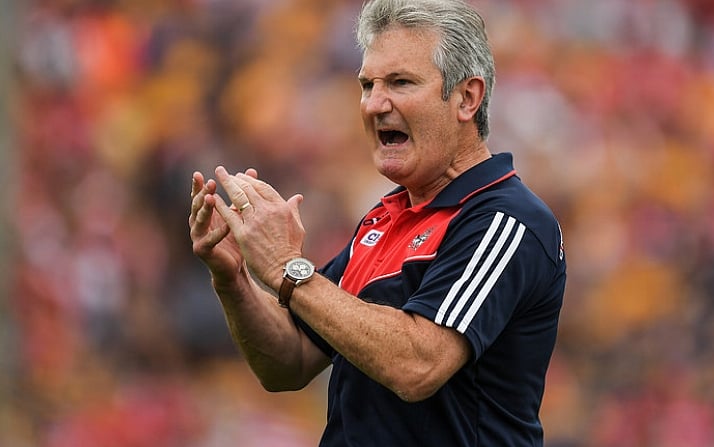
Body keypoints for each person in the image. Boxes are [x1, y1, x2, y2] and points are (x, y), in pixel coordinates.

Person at [189, 0, 566, 445]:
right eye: (367, 85)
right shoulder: (383, 218)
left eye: (401, 82)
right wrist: (234, 279)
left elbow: (416, 366)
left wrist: (286, 266)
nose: (374, 104)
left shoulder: (506, 219)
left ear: (467, 98)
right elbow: (289, 361)